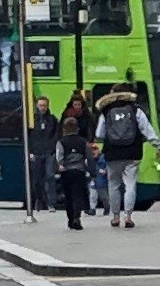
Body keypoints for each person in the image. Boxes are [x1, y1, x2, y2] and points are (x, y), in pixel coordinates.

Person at [93, 82, 148, 226]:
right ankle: (128, 216)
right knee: (130, 184)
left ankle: (115, 216)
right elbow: (146, 129)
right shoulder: (136, 109)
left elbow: (99, 133)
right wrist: (157, 143)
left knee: (114, 184)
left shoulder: (106, 110)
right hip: (133, 151)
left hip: (113, 152)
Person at [51, 93, 91, 229]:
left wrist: (60, 165)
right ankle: (76, 217)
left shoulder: (61, 142)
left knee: (68, 195)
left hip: (66, 172)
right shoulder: (82, 142)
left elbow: (59, 155)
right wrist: (92, 170)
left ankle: (70, 219)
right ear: (77, 128)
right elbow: (89, 157)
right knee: (78, 195)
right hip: (79, 171)